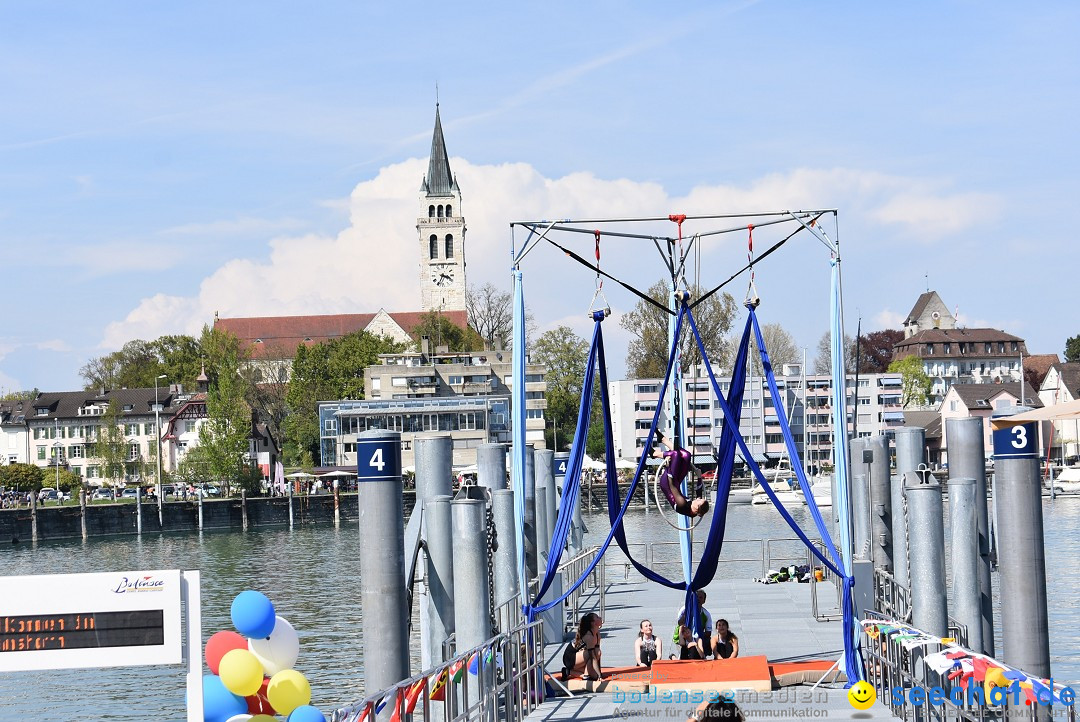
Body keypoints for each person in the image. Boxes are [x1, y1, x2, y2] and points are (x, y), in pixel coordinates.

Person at [653, 432, 709, 518]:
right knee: (687, 455)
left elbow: (672, 487)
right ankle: (663, 440)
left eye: (699, 500)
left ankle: (654, 454)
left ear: (696, 508)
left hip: (667, 483)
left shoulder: (682, 505)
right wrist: (699, 477)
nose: (698, 498)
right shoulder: (696, 508)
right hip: (676, 482)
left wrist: (668, 467)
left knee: (676, 454)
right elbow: (698, 491)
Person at [561, 612, 602, 681]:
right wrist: (600, 676)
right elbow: (593, 658)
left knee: (594, 676)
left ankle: (567, 671)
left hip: (580, 657)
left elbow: (598, 656)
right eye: (597, 617)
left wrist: (599, 672)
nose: (600, 618)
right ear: (593, 623)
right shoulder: (589, 636)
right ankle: (586, 675)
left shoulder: (597, 634)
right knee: (593, 653)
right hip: (569, 658)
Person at [676, 589, 713, 658]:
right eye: (696, 597)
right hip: (683, 637)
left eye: (701, 597)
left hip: (697, 637)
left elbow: (708, 632)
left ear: (704, 601)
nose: (698, 599)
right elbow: (679, 623)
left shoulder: (706, 614)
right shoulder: (684, 609)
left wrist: (696, 635)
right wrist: (687, 613)